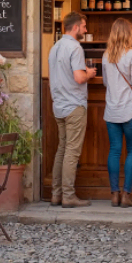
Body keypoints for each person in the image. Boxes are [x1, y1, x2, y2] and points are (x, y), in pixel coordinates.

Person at [46, 12, 97, 208]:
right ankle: (68, 196)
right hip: (74, 105)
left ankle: (56, 194)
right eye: (84, 26)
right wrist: (89, 73)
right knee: (72, 152)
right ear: (75, 28)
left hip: (58, 105)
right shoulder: (75, 47)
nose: (85, 30)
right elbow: (78, 77)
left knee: (62, 150)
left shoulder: (55, 47)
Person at [101, 18, 132, 206]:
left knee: (114, 151)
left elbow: (105, 82)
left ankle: (114, 195)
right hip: (129, 109)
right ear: (128, 34)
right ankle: (126, 195)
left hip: (111, 110)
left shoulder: (106, 56)